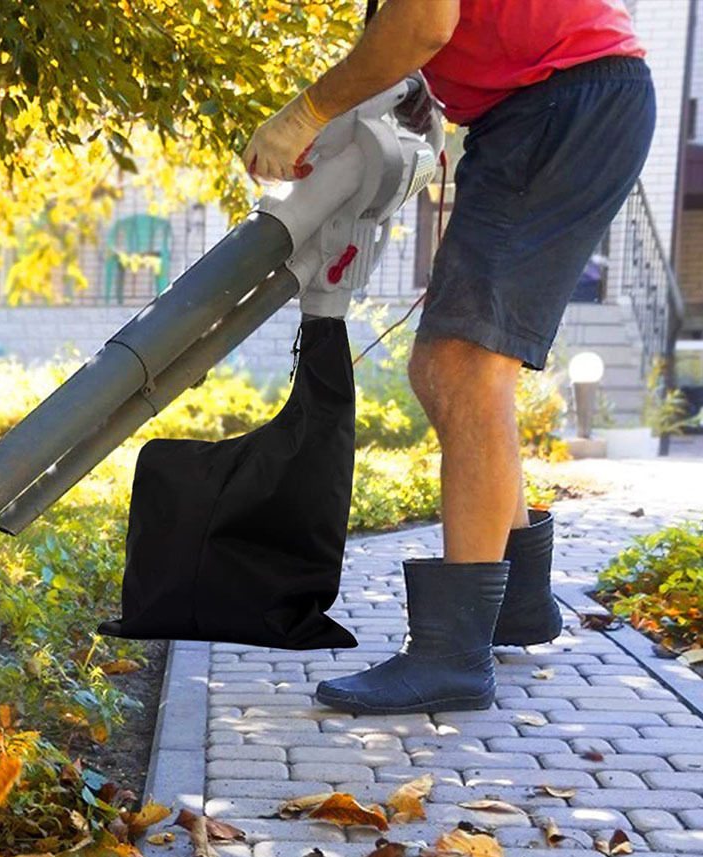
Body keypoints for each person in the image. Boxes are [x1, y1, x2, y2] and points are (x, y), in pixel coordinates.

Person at [242, 0, 654, 715]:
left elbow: (423, 25)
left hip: (560, 100)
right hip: (548, 106)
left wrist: (302, 113)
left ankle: (452, 657)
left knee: (460, 367)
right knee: (454, 373)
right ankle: (518, 602)